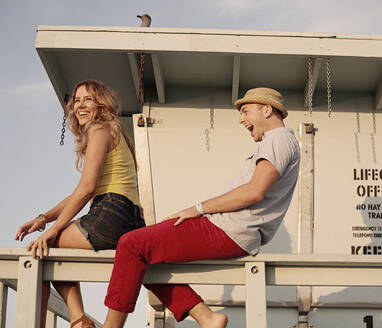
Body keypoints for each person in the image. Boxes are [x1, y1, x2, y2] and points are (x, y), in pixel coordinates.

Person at [102, 87, 300, 328]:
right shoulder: (277, 142)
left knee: (131, 244)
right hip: (230, 229)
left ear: (267, 110)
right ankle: (207, 318)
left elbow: (254, 191)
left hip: (229, 229)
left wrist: (197, 209)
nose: (242, 119)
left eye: (246, 111)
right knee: (149, 254)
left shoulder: (278, 139)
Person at [15, 80, 146, 328]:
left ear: (101, 104)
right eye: (76, 100)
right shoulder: (114, 130)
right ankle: (80, 320)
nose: (80, 105)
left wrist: (52, 231)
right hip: (133, 219)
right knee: (50, 242)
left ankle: (75, 320)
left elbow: (86, 189)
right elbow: (83, 189)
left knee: (45, 246)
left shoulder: (99, 129)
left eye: (88, 99)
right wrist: (44, 218)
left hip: (112, 212)